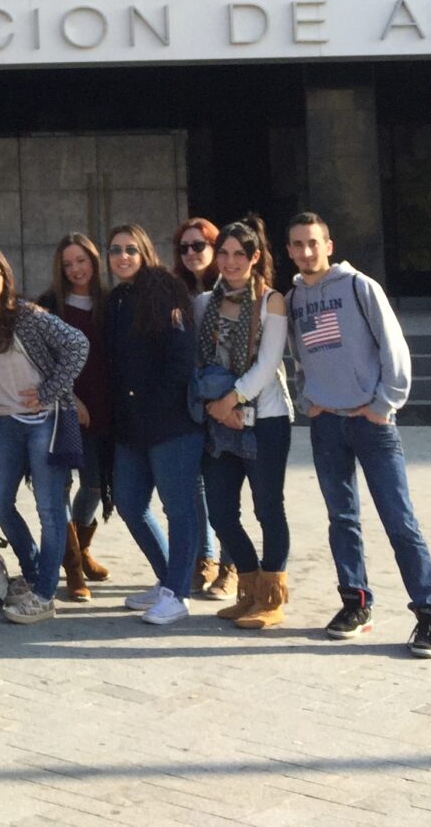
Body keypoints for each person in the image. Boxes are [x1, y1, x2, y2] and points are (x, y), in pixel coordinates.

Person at [286, 211, 431, 657]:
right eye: (297, 244)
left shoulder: (360, 287)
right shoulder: (294, 299)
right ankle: (355, 603)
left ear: (329, 245)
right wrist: (308, 400)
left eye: (313, 242)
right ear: (289, 251)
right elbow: (299, 356)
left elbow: (394, 347)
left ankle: (429, 613)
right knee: (342, 519)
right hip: (327, 424)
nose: (306, 251)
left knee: (399, 520)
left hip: (371, 424)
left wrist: (383, 405)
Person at [0, 246, 91, 626]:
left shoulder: (27, 316)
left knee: (50, 511)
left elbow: (78, 344)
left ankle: (45, 594)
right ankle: (34, 572)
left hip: (45, 422)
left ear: (5, 278)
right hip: (7, 423)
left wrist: (51, 390)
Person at [193, 216, 293, 631]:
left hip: (264, 419)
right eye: (224, 253)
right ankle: (248, 587)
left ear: (254, 258)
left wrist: (230, 400)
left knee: (267, 508)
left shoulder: (271, 301)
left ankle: (271, 597)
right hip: (219, 422)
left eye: (239, 254)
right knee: (220, 512)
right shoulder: (205, 304)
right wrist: (215, 407)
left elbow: (267, 364)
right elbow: (198, 362)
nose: (230, 261)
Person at [104, 224, 201, 626]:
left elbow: (181, 358)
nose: (123, 256)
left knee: (179, 508)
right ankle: (167, 580)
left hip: (170, 423)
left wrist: (156, 405)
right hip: (130, 427)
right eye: (115, 250)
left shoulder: (166, 290)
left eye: (130, 249)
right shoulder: (116, 299)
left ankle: (178, 593)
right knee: (129, 502)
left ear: (145, 251)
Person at [36, 233, 113, 600]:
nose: (76, 269)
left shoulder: (109, 302)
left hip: (103, 408)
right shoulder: (49, 305)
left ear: (93, 261)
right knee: (62, 487)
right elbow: (42, 361)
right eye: (68, 264)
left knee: (95, 486)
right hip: (63, 409)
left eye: (81, 260)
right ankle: (73, 567)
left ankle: (82, 547)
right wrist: (71, 398)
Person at [172, 214, 235, 599]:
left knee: (224, 485)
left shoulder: (230, 287)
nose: (192, 252)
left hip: (227, 398)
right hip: (192, 399)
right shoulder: (177, 292)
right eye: (184, 247)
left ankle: (232, 565)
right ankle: (204, 558)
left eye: (200, 245)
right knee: (194, 482)